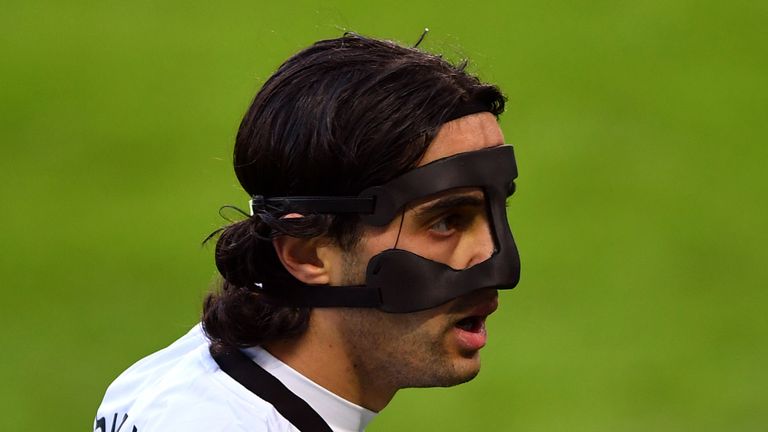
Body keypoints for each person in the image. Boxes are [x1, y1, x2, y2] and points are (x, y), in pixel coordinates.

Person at [95, 33, 521, 432]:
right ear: (307, 254)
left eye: (495, 211)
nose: (493, 258)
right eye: (445, 221)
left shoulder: (186, 378)